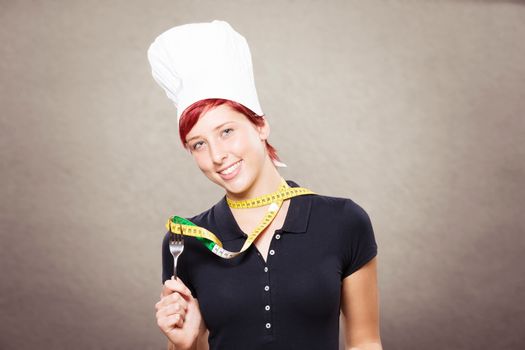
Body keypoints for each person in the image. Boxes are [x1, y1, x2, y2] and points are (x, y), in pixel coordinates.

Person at [148, 20, 382, 350]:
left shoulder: (344, 221)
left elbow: (365, 343)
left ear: (260, 125)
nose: (217, 155)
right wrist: (184, 345)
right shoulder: (185, 241)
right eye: (198, 144)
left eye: (226, 131)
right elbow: (192, 341)